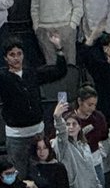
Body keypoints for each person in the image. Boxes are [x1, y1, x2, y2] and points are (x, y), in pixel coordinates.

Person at [0, 35, 67, 177]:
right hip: (16, 137)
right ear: (6, 58)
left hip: (38, 134)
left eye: (19, 54)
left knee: (40, 175)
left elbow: (59, 71)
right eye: (12, 55)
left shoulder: (32, 73)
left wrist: (59, 49)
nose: (16, 58)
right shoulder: (3, 77)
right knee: (19, 177)